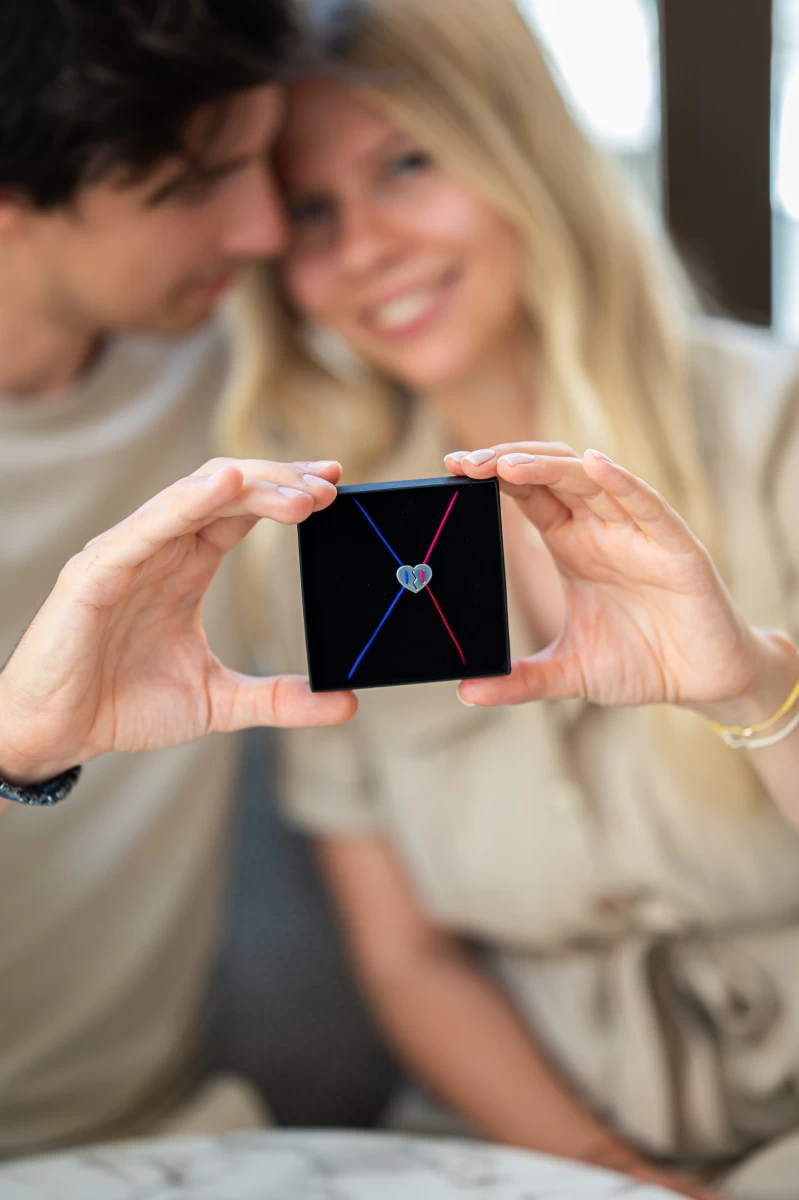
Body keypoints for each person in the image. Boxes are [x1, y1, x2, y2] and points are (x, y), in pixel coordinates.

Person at [217, 0, 799, 1196]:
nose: (363, 248)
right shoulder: (326, 545)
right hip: (516, 1151)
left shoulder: (773, 438)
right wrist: (610, 1176)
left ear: (521, 147)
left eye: (408, 165)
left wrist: (756, 689)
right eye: (315, 211)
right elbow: (407, 958)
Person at [0, 0, 371, 1158]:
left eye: (263, 164)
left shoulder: (231, 363)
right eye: (196, 185)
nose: (267, 229)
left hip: (164, 1135)